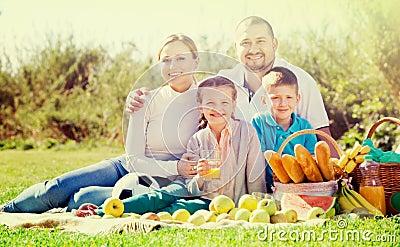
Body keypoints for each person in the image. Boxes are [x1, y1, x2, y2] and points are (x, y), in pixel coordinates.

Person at [0, 34, 201, 213]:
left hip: (158, 183)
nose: (173, 66)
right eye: (165, 60)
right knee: (55, 189)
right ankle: (7, 210)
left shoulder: (209, 100)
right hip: (127, 167)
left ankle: (75, 208)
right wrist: (177, 166)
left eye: (181, 58)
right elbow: (133, 160)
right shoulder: (144, 100)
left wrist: (181, 171)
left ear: (196, 62)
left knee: (81, 198)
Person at [129, 16, 338, 157]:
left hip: (283, 180)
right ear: (235, 47)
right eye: (245, 43)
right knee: (109, 174)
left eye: (260, 41)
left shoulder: (300, 81)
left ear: (274, 44)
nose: (253, 49)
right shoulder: (224, 81)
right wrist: (142, 97)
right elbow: (186, 90)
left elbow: (323, 138)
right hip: (233, 177)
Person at [93, 76, 266, 216]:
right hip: (197, 193)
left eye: (225, 102)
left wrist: (256, 206)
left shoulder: (246, 132)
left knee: (176, 210)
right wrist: (200, 176)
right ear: (200, 106)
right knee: (159, 196)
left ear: (234, 105)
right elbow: (191, 184)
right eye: (210, 103)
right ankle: (102, 211)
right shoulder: (198, 139)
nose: (217, 108)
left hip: (211, 204)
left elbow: (255, 174)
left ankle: (152, 217)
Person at [251, 67, 317, 190]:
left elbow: (312, 161)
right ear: (264, 100)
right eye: (275, 98)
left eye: (289, 97)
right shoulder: (259, 122)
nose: (283, 104)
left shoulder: (305, 128)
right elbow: (257, 160)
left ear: (297, 99)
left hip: (301, 187)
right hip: (268, 187)